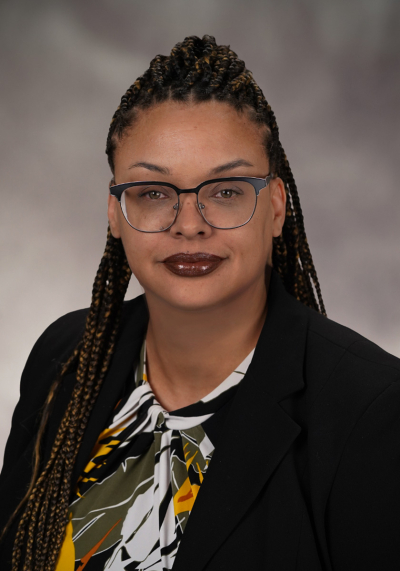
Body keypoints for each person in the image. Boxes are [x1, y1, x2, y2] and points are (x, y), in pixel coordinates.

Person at [0, 34, 399, 571]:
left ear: (276, 207)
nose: (189, 225)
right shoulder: (64, 356)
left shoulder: (373, 414)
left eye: (226, 191)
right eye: (153, 193)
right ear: (115, 213)